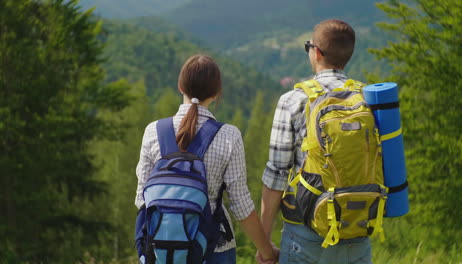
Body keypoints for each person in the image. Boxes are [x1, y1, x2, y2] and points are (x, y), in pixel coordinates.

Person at [135, 54, 278, 264]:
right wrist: (266, 251)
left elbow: (142, 198)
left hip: (160, 249)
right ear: (216, 93)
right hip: (213, 248)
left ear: (180, 86)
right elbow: (240, 204)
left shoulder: (153, 131)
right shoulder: (229, 136)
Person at [258, 19, 373, 263]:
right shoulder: (369, 99)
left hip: (305, 232)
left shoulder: (293, 100)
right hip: (358, 229)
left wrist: (264, 241)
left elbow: (276, 176)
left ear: (316, 52)